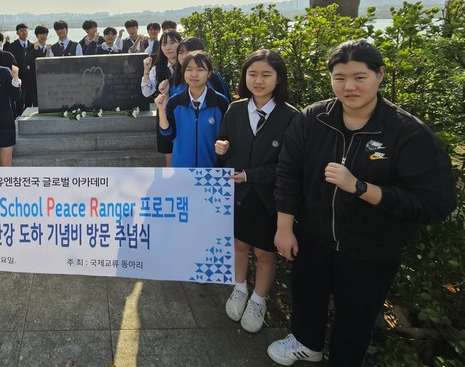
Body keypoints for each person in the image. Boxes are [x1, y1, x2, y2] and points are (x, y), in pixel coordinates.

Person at [268, 40, 456, 367]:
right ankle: (306, 344)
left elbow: (435, 203)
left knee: (356, 318)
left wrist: (361, 188)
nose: (349, 87)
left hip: (371, 249)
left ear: (379, 75)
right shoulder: (314, 118)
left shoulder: (407, 133)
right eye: (340, 78)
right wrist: (284, 228)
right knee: (307, 296)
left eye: (359, 77)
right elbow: (288, 173)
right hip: (313, 235)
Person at [214, 50, 299, 333]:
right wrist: (222, 149)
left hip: (268, 199)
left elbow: (288, 167)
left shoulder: (291, 117)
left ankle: (259, 299)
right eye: (252, 74)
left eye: (266, 75)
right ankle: (240, 288)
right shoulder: (235, 109)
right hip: (237, 195)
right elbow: (224, 147)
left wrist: (251, 175)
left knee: (264, 252)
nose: (258, 81)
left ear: (278, 78)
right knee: (238, 244)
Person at [155, 51, 228, 167]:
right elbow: (167, 134)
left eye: (200, 69)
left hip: (211, 170)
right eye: (189, 69)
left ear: (209, 73)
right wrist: (162, 111)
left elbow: (228, 136)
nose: (194, 74)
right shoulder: (175, 102)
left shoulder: (220, 102)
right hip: (181, 170)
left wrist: (225, 145)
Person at [142, 30, 183, 166]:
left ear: (180, 44)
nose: (168, 47)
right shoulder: (157, 68)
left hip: (185, 114)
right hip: (165, 115)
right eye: (164, 44)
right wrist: (146, 71)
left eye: (172, 43)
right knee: (168, 152)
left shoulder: (188, 66)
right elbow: (146, 92)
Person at [177, 37, 231, 102]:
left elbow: (225, 103)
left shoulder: (214, 78)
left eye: (188, 52)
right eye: (180, 52)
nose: (184, 56)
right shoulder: (173, 80)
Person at [5, 23, 37, 115]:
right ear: (17, 33)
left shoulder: (32, 45)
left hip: (29, 77)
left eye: (25, 30)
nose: (24, 32)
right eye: (21, 31)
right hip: (18, 76)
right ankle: (18, 115)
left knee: (29, 98)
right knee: (18, 98)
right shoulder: (13, 45)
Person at [29, 25, 51, 106]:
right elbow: (28, 62)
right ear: (37, 35)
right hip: (35, 81)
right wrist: (34, 50)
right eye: (40, 34)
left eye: (45, 34)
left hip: (48, 81)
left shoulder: (50, 48)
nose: (43, 36)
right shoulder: (31, 47)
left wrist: (48, 53)